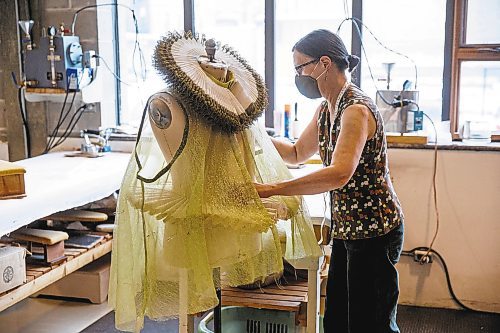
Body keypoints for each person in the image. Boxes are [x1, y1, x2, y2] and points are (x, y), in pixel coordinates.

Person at [255, 29, 404, 333]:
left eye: (301, 68)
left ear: (324, 63)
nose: (298, 76)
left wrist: (272, 190)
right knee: (338, 319)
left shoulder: (356, 110)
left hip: (375, 231)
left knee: (371, 323)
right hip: (348, 229)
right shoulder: (326, 109)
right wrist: (251, 135)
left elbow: (339, 173)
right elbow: (296, 152)